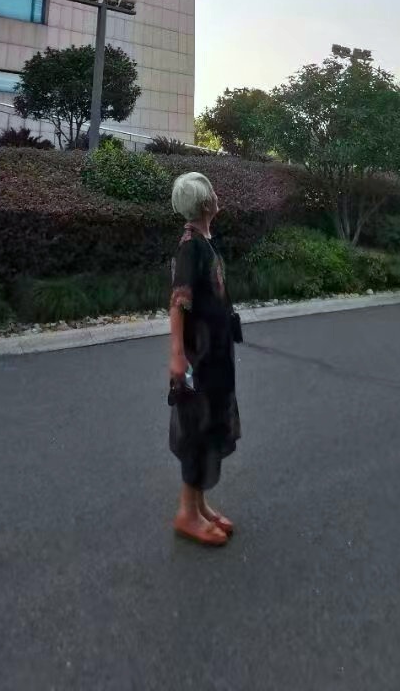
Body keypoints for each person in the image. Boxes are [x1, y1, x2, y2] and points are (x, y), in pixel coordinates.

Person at [168, 171, 241, 546]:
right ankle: (187, 514)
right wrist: (178, 356)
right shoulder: (190, 247)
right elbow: (178, 303)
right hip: (199, 355)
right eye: (212, 190)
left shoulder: (204, 242)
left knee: (210, 423)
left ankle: (199, 506)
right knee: (197, 429)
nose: (216, 194)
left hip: (215, 353)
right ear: (204, 203)